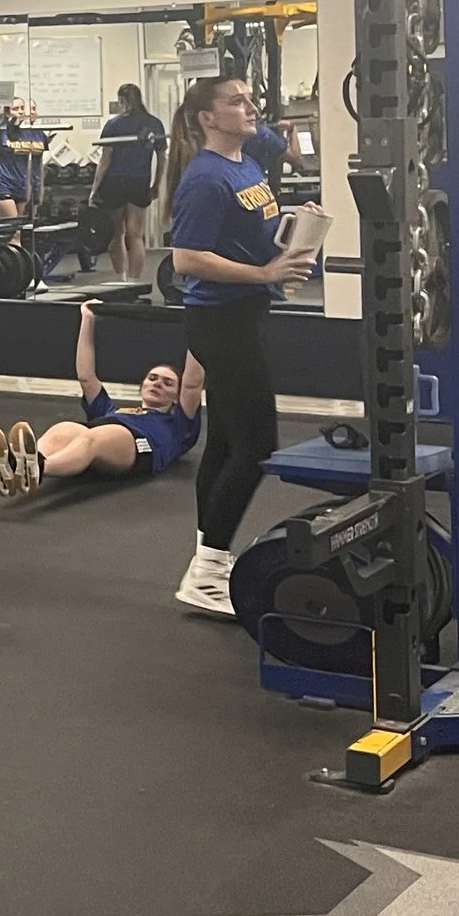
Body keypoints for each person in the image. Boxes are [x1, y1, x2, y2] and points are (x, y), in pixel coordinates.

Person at [163, 75, 314, 615]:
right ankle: (206, 572)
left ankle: (210, 560)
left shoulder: (246, 161)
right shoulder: (206, 179)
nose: (251, 108)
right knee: (257, 445)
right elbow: (187, 259)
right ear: (207, 118)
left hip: (245, 315)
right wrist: (264, 272)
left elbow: (283, 159)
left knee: (227, 443)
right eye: (237, 102)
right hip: (223, 322)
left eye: (250, 99)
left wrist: (297, 231)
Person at [0, 301, 202, 498]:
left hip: (141, 447)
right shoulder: (113, 411)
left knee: (90, 437)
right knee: (65, 428)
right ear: (142, 385)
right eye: (152, 378)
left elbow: (192, 384)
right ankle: (16, 467)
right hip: (100, 432)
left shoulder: (179, 427)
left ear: (177, 398)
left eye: (167, 382)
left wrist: (201, 329)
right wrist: (87, 319)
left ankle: (39, 468)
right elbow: (86, 377)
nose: (157, 383)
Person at [91, 83, 166, 280]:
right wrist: (157, 184)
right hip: (139, 182)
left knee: (117, 233)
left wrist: (94, 189)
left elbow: (105, 160)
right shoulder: (154, 124)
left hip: (114, 182)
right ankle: (134, 281)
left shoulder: (113, 125)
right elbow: (162, 158)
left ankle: (121, 279)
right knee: (136, 235)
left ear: (121, 100)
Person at [0, 97, 50, 221]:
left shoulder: (32, 134)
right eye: (15, 109)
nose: (20, 111)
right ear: (7, 112)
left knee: (19, 227)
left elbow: (37, 167)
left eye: (22, 108)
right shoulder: (1, 132)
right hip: (3, 185)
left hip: (21, 187)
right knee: (13, 226)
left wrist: (37, 195)